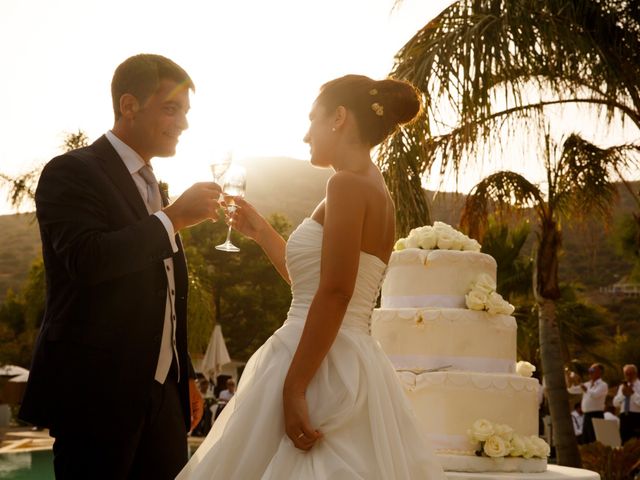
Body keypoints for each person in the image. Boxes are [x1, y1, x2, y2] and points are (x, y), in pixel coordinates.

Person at [177, 75, 446, 479]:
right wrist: (263, 233)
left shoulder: (346, 184)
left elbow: (336, 292)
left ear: (339, 117)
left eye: (311, 120)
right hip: (346, 354)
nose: (305, 135)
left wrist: (294, 387)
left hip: (318, 362)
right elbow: (315, 285)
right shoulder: (369, 186)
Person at [18, 54, 221, 479]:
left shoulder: (153, 185)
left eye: (185, 112)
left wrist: (181, 376)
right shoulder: (71, 171)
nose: (183, 123)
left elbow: (165, 291)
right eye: (171, 108)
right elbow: (87, 260)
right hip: (96, 393)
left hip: (162, 398)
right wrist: (175, 218)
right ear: (129, 106)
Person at [566, 363, 608, 444]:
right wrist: (569, 379)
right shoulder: (587, 384)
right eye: (589, 370)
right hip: (587, 415)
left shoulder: (603, 385)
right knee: (586, 439)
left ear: (600, 372)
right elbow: (572, 390)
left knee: (595, 439)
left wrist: (580, 383)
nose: (590, 372)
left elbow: (595, 395)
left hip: (597, 415)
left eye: (592, 370)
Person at [612, 364, 640, 444]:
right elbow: (615, 403)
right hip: (624, 417)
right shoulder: (622, 387)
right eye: (626, 374)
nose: (628, 376)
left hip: (636, 417)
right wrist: (622, 395)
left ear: (635, 373)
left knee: (636, 444)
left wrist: (632, 394)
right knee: (624, 442)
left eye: (630, 373)